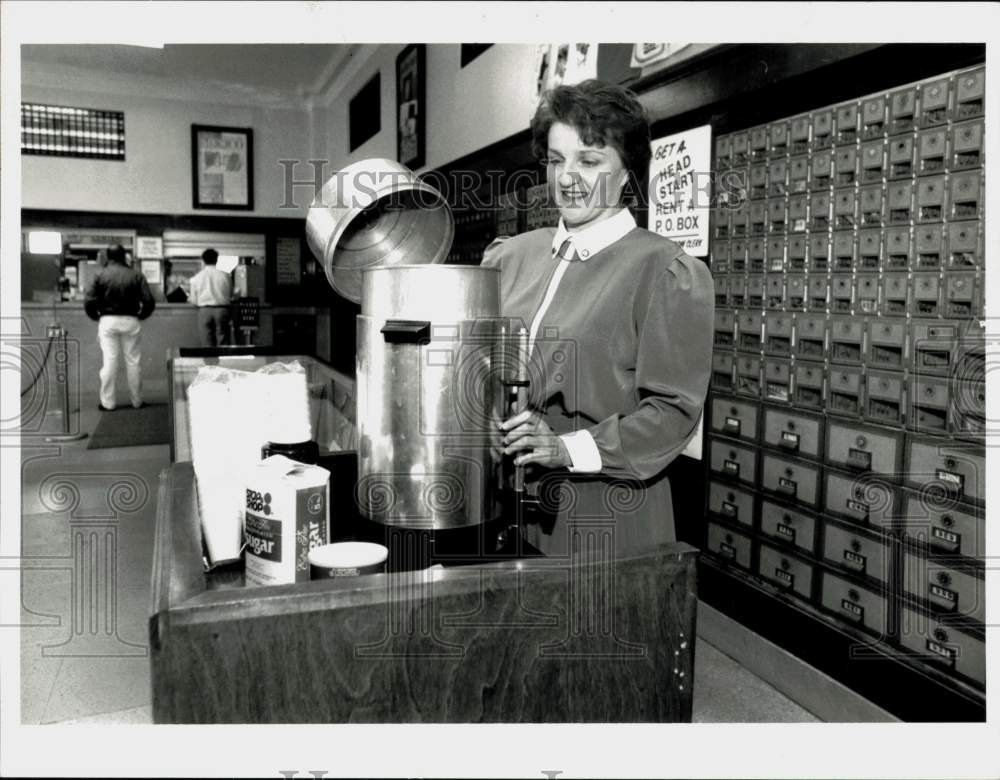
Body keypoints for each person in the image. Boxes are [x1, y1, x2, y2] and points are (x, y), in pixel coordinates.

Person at [482, 79, 714, 557]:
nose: (567, 177)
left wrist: (565, 449)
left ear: (627, 173)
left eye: (589, 160)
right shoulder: (511, 257)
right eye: (555, 159)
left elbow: (672, 416)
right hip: (511, 507)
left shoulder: (664, 270)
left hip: (606, 514)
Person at [83, 244, 156, 411]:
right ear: (125, 256)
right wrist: (141, 315)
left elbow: (89, 300)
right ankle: (137, 401)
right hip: (131, 320)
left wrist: (96, 316)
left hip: (108, 320)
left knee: (109, 361)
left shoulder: (99, 274)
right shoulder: (136, 275)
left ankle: (108, 403)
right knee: (133, 362)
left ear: (108, 257)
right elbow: (149, 300)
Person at [188, 248, 233, 346]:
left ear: (203, 260)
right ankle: (224, 360)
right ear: (217, 260)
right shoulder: (226, 276)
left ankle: (209, 360)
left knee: (206, 341)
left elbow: (194, 301)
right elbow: (230, 295)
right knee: (223, 340)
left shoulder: (196, 278)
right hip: (222, 310)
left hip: (204, 311)